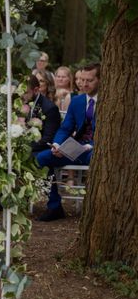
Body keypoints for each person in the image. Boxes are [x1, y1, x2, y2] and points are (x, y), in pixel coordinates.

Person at [35, 63, 100, 222]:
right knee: (42, 158)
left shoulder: (112, 101)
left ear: (100, 80)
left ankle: (96, 211)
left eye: (89, 80)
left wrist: (90, 146)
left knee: (98, 159)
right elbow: (65, 128)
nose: (84, 84)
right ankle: (55, 206)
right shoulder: (77, 101)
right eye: (82, 80)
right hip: (75, 149)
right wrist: (57, 145)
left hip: (96, 150)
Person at [23, 75, 61, 154]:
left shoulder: (50, 108)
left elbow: (48, 140)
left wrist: (24, 147)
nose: (22, 96)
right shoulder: (19, 105)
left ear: (36, 90)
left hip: (39, 150)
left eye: (25, 92)